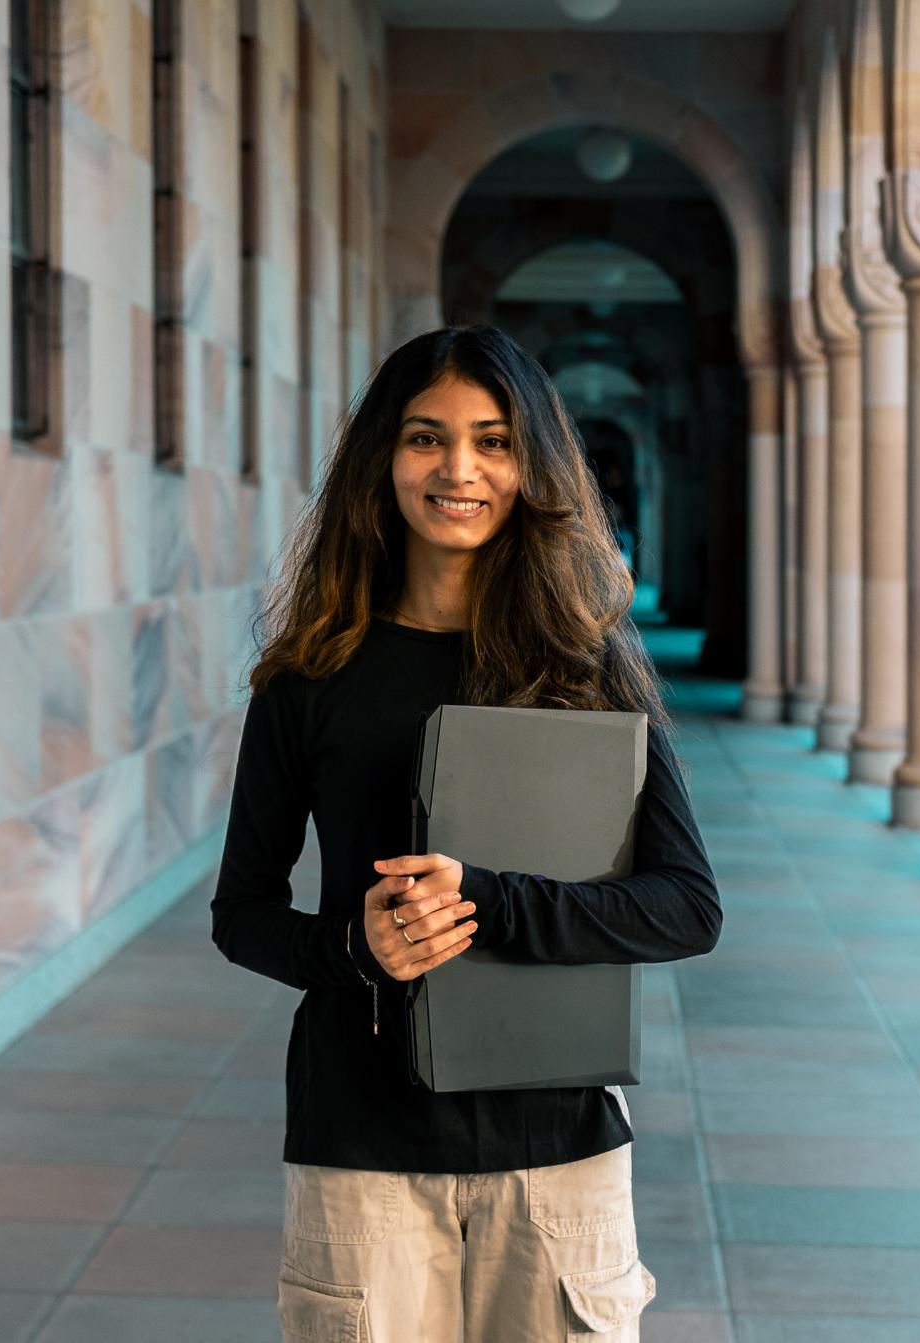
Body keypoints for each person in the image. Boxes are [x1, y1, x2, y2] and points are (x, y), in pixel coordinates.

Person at [209, 324, 722, 1341]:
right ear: (381, 461)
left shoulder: (588, 665)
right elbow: (243, 913)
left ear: (531, 465)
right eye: (425, 437)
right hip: (361, 1142)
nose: (459, 468)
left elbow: (687, 904)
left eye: (492, 440)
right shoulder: (309, 675)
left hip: (558, 1143)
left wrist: (489, 900)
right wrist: (356, 944)